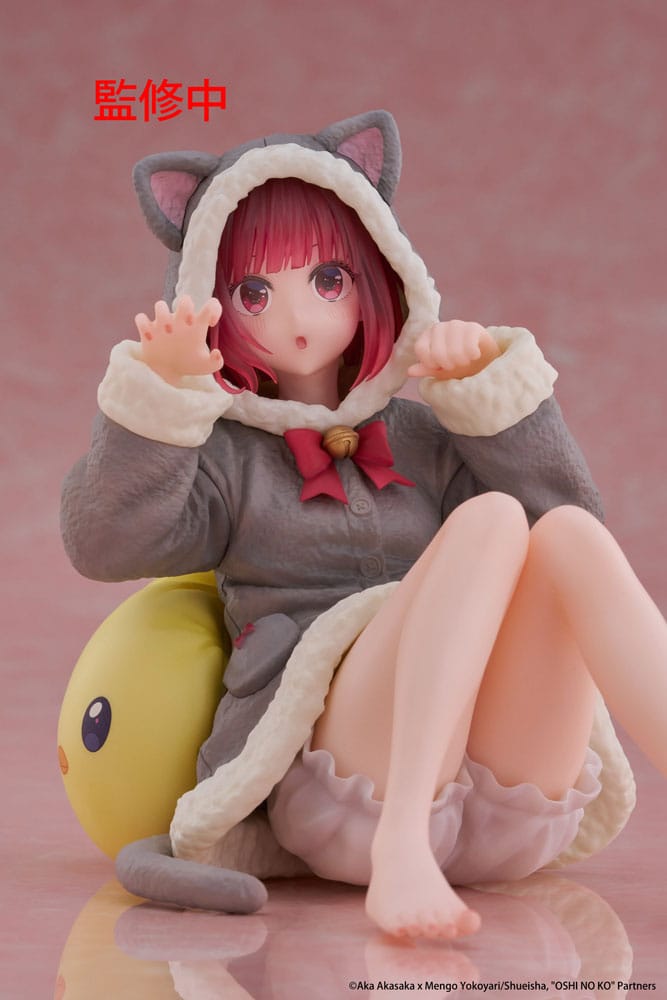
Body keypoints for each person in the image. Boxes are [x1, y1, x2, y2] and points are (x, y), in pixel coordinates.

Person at [61, 111, 665, 940]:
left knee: (562, 536)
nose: (297, 315)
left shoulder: (426, 436)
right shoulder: (228, 460)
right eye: (253, 293)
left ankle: (424, 833)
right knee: (489, 519)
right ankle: (403, 840)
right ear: (210, 301)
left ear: (380, 277)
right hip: (348, 791)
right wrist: (161, 397)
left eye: (329, 279)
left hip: (501, 796)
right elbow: (107, 543)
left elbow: (565, 521)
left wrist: (485, 394)